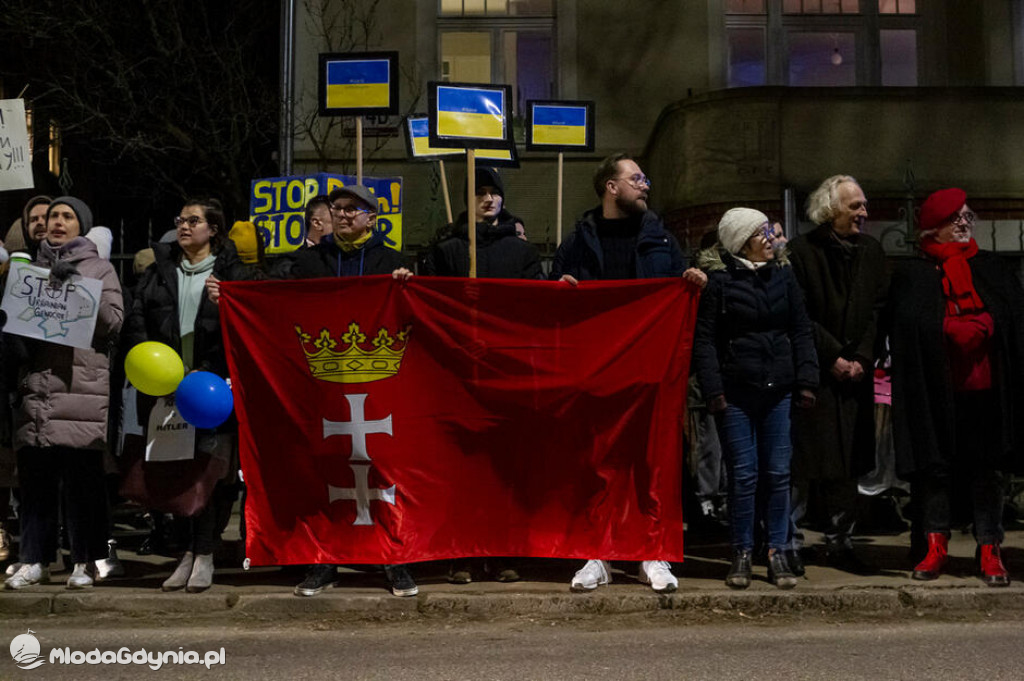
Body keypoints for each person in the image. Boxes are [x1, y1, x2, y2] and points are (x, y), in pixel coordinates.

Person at [211, 184, 417, 598]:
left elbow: (415, 319)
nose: (343, 215)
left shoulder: (392, 261)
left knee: (385, 471)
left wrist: (409, 285)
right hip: (320, 387)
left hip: (379, 390)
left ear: (372, 218)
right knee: (322, 471)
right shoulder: (307, 262)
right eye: (337, 208)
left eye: (352, 209)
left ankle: (394, 559)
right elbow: (271, 301)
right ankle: (324, 560)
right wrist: (231, 296)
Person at [551, 152, 707, 593]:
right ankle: (596, 553)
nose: (646, 185)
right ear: (610, 187)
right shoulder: (579, 240)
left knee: (650, 463)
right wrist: (561, 289)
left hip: (648, 373)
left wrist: (691, 284)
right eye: (636, 178)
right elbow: (555, 292)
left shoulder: (661, 239)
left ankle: (650, 552)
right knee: (596, 463)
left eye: (646, 177)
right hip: (596, 371)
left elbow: (679, 297)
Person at [888, 188, 1024, 587]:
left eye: (967, 215)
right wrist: (945, 328)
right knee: (935, 470)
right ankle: (936, 546)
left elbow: (1012, 318)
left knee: (986, 470)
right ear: (933, 226)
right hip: (935, 392)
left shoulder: (993, 269)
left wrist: (984, 325)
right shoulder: (913, 274)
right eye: (955, 218)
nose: (965, 222)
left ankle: (989, 548)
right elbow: (905, 327)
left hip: (985, 392)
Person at [123, 198, 244, 593]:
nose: (185, 226)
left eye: (195, 220)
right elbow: (137, 320)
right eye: (181, 220)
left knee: (211, 473)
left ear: (214, 230)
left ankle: (205, 553)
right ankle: (188, 554)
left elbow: (248, 330)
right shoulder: (159, 272)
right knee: (177, 471)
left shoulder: (232, 273)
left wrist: (227, 306)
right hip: (168, 390)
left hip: (212, 387)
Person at [692, 208, 818, 589]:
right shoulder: (719, 284)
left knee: (778, 473)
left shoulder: (784, 276)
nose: (770, 239)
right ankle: (742, 551)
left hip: (778, 389)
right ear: (740, 241)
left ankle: (777, 551)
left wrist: (806, 380)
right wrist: (714, 391)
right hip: (735, 394)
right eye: (760, 233)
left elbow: (800, 330)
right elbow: (705, 341)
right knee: (744, 475)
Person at [4, 197, 124, 590]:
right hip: (37, 388)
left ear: (81, 226)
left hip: (79, 389)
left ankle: (84, 561)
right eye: (53, 216)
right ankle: (33, 559)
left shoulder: (99, 268)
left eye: (66, 216)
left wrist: (76, 287)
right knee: (35, 480)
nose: (57, 222)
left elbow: (112, 323)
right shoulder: (30, 271)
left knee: (81, 481)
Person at [786, 175, 888, 575]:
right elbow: (800, 313)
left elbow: (878, 309)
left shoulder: (872, 252)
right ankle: (788, 543)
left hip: (856, 378)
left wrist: (862, 356)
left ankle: (840, 543)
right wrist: (833, 358)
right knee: (804, 463)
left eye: (863, 205)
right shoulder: (800, 252)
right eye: (855, 206)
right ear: (830, 210)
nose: (864, 213)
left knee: (849, 463)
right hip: (817, 374)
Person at [422, 167, 541, 280]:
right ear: (468, 199)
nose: (489, 199)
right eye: (480, 192)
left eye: (494, 193)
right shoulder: (446, 251)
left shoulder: (524, 252)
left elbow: (534, 294)